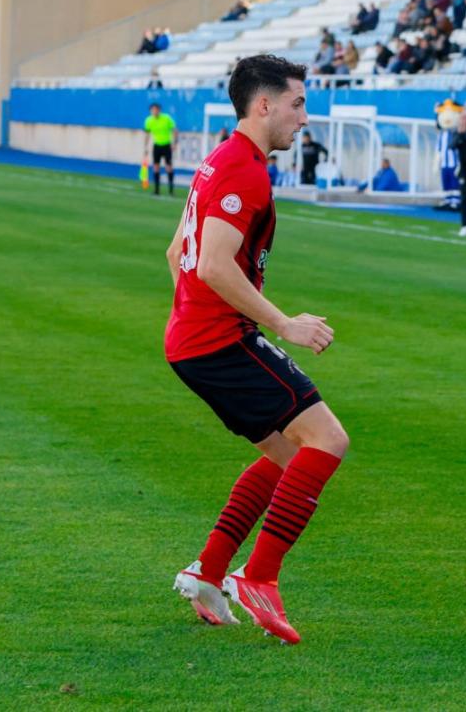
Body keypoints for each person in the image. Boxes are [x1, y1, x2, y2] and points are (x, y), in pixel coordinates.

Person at [166, 54, 348, 646]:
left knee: (285, 458)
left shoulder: (220, 158)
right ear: (263, 104)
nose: (304, 117)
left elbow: (178, 257)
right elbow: (213, 263)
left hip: (199, 340)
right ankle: (259, 576)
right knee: (326, 440)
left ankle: (209, 571)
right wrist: (281, 324)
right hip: (220, 340)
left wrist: (195, 315)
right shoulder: (244, 170)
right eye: (297, 103)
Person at [143, 103, 177, 196]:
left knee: (168, 167)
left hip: (167, 146)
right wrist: (145, 147)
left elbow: (174, 130)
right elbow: (147, 134)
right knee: (156, 167)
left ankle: (171, 189)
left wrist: (175, 143)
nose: (154, 111)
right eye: (153, 110)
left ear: (159, 110)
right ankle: (156, 190)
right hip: (157, 146)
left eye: (156, 109)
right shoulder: (149, 121)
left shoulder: (166, 118)